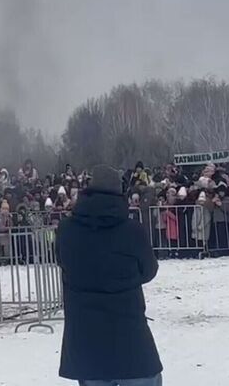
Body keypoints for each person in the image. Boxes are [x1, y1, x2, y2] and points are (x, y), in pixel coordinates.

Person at [56, 165, 162, 386]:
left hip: (85, 337)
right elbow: (149, 271)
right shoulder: (133, 231)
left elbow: (63, 262)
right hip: (129, 335)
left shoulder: (66, 230)